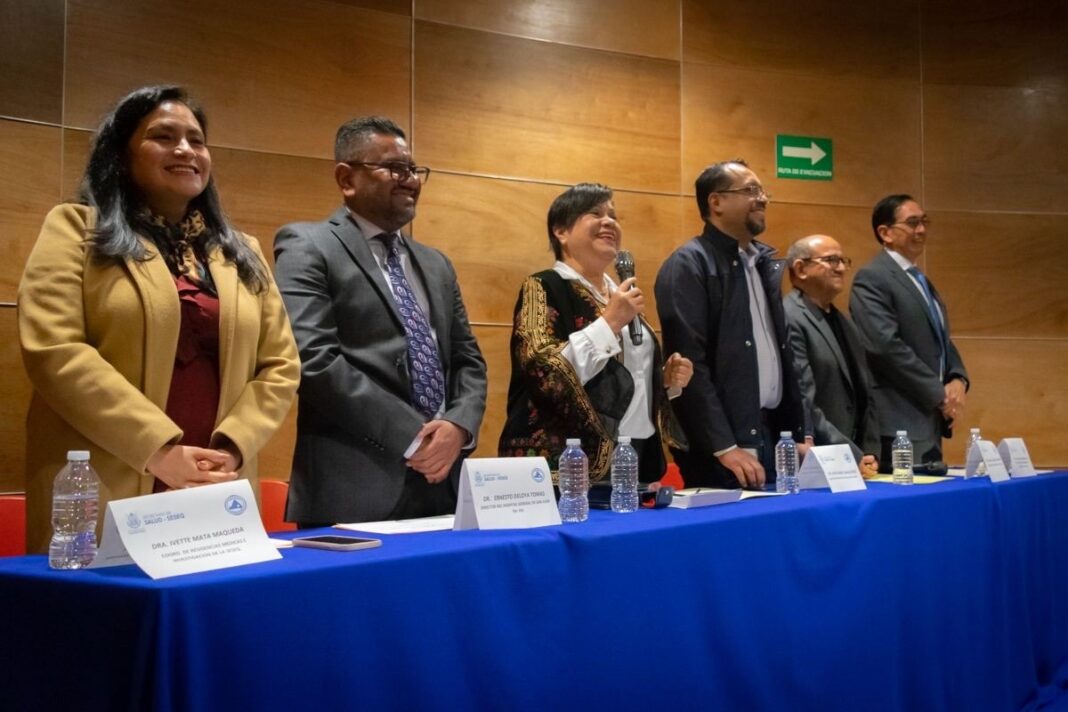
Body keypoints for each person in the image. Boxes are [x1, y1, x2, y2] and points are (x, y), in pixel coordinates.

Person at [18, 86, 300, 553]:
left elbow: (281, 365)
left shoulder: (241, 251)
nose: (185, 149)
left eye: (196, 139)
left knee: (209, 619)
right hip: (106, 481)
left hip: (216, 484)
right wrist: (158, 451)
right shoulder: (75, 229)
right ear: (122, 155)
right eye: (163, 136)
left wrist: (229, 450)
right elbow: (55, 350)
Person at [274, 116, 487, 527]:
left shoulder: (436, 263)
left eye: (414, 170)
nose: (409, 180)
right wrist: (413, 436)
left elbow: (468, 361)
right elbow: (314, 359)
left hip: (445, 481)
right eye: (394, 169)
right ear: (346, 178)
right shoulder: (307, 245)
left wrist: (458, 427)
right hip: (354, 487)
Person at [498, 183, 693, 481]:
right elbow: (543, 371)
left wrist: (664, 381)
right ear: (561, 231)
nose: (609, 222)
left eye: (613, 215)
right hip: (566, 465)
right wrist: (610, 323)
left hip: (634, 459)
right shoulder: (544, 286)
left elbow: (623, 381)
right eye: (595, 212)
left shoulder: (621, 294)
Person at [655, 160, 807, 489]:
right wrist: (724, 446)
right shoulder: (689, 264)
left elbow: (783, 357)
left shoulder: (762, 264)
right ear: (716, 202)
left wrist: (798, 432)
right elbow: (688, 364)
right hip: (725, 449)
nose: (763, 198)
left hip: (772, 436)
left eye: (763, 191)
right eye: (751, 190)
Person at [849, 194, 968, 469]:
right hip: (899, 421)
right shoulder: (873, 277)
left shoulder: (919, 279)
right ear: (885, 233)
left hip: (927, 420)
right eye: (913, 223)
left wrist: (957, 378)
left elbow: (941, 339)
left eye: (924, 222)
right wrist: (938, 394)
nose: (922, 230)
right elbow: (884, 346)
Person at [783, 235, 879, 476]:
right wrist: (849, 453)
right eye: (831, 260)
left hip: (853, 460)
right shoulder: (790, 316)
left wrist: (869, 450)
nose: (840, 268)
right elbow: (804, 399)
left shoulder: (844, 322)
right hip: (822, 460)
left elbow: (865, 391)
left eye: (843, 261)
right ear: (800, 268)